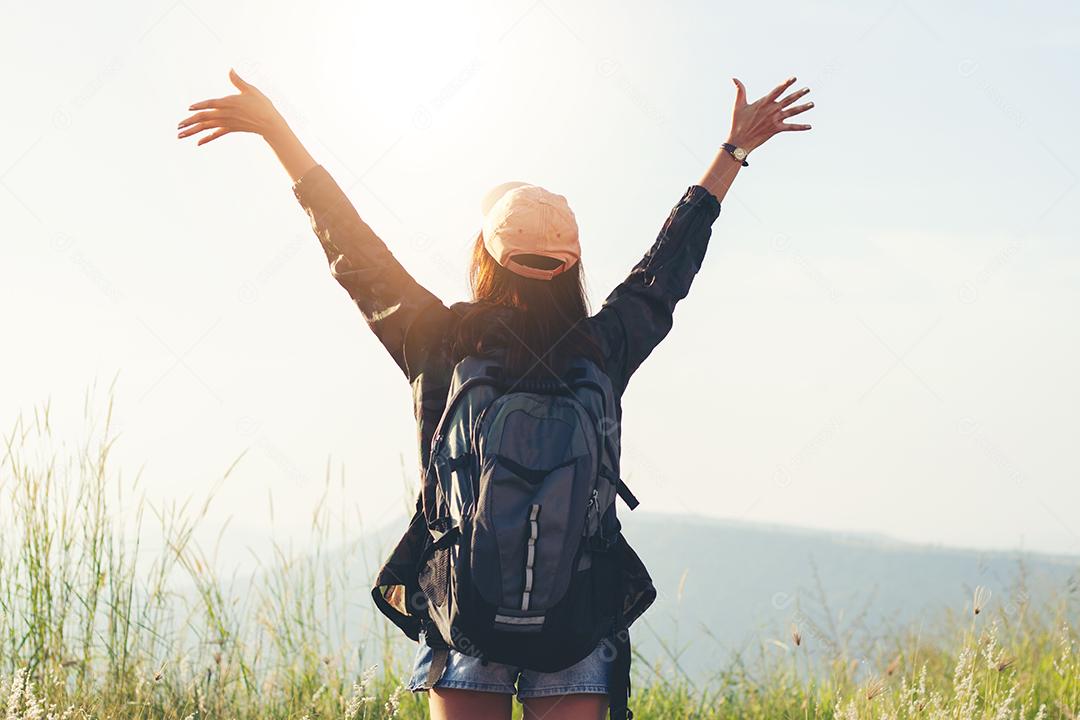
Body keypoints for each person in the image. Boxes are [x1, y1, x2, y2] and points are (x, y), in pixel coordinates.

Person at [178, 68, 813, 720]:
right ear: (571, 266)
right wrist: (732, 152)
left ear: (486, 255)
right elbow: (667, 268)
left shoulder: (439, 340)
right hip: (576, 616)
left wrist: (278, 134)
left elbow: (354, 250)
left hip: (465, 612)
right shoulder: (602, 347)